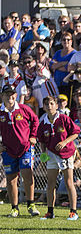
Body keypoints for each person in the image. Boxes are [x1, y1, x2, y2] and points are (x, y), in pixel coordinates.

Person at [37, 95, 80, 221]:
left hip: (65, 153)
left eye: (52, 104)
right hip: (51, 155)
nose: (49, 106)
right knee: (50, 183)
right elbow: (42, 141)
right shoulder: (43, 122)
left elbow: (76, 132)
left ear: (56, 105)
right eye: (47, 104)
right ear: (43, 107)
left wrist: (65, 142)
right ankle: (50, 212)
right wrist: (43, 153)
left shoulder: (63, 118)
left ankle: (73, 212)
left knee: (68, 182)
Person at [0, 85, 40, 217]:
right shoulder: (0, 112)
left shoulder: (23, 109)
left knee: (27, 175)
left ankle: (31, 204)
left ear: (16, 95)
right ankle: (14, 208)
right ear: (2, 96)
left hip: (25, 148)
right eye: (7, 94)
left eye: (12, 94)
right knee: (11, 178)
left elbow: (35, 120)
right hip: (8, 150)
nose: (10, 97)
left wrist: (33, 136)